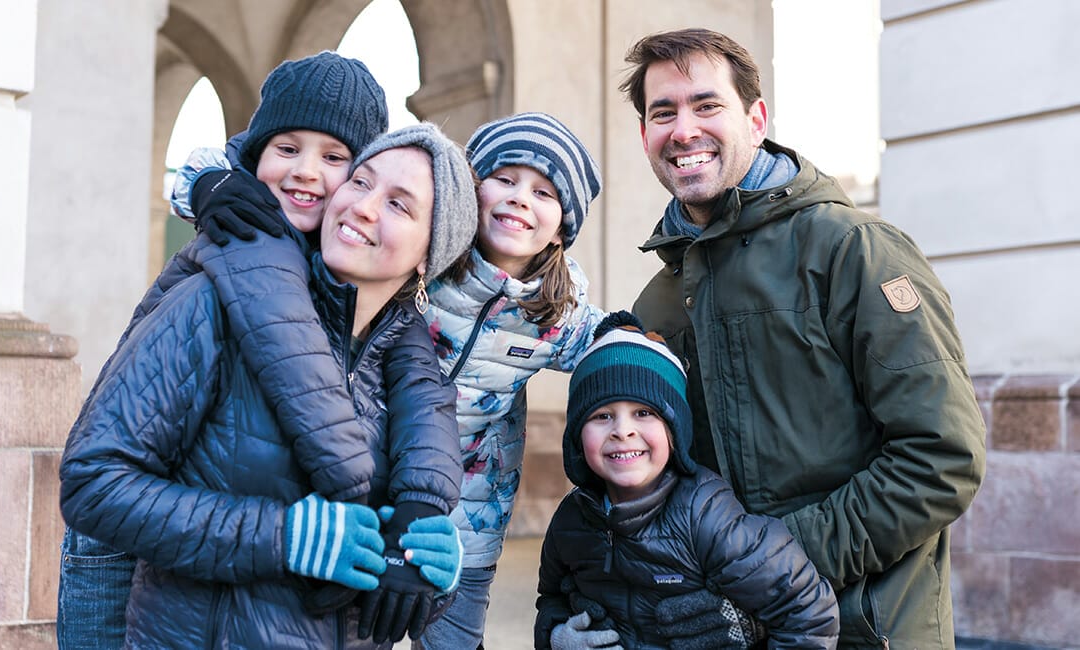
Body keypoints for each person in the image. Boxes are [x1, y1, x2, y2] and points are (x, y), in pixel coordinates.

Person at [57, 52, 472, 649]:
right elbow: (98, 480)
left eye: (337, 160)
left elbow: (373, 547)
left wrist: (428, 559)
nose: (311, 174)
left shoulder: (400, 352)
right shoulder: (222, 274)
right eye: (362, 183)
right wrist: (284, 537)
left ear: (429, 256)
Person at [176, 111, 609, 648]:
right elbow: (292, 171)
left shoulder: (557, 312)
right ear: (468, 191)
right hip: (371, 491)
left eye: (543, 193)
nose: (520, 198)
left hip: (469, 520)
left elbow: (611, 343)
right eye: (504, 178)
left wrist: (639, 348)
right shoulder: (412, 257)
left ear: (563, 227)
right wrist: (209, 180)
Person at [622, 28, 987, 648]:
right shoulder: (657, 300)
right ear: (645, 135)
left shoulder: (855, 252)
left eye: (707, 105)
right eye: (664, 113)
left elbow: (941, 458)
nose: (684, 130)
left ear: (755, 119)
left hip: (864, 629)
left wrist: (768, 566)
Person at [534, 311, 839, 649]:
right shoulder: (570, 521)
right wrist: (557, 636)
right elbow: (551, 599)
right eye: (602, 415)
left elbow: (808, 610)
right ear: (577, 436)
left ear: (675, 429)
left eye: (644, 412)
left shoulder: (705, 514)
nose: (623, 430)